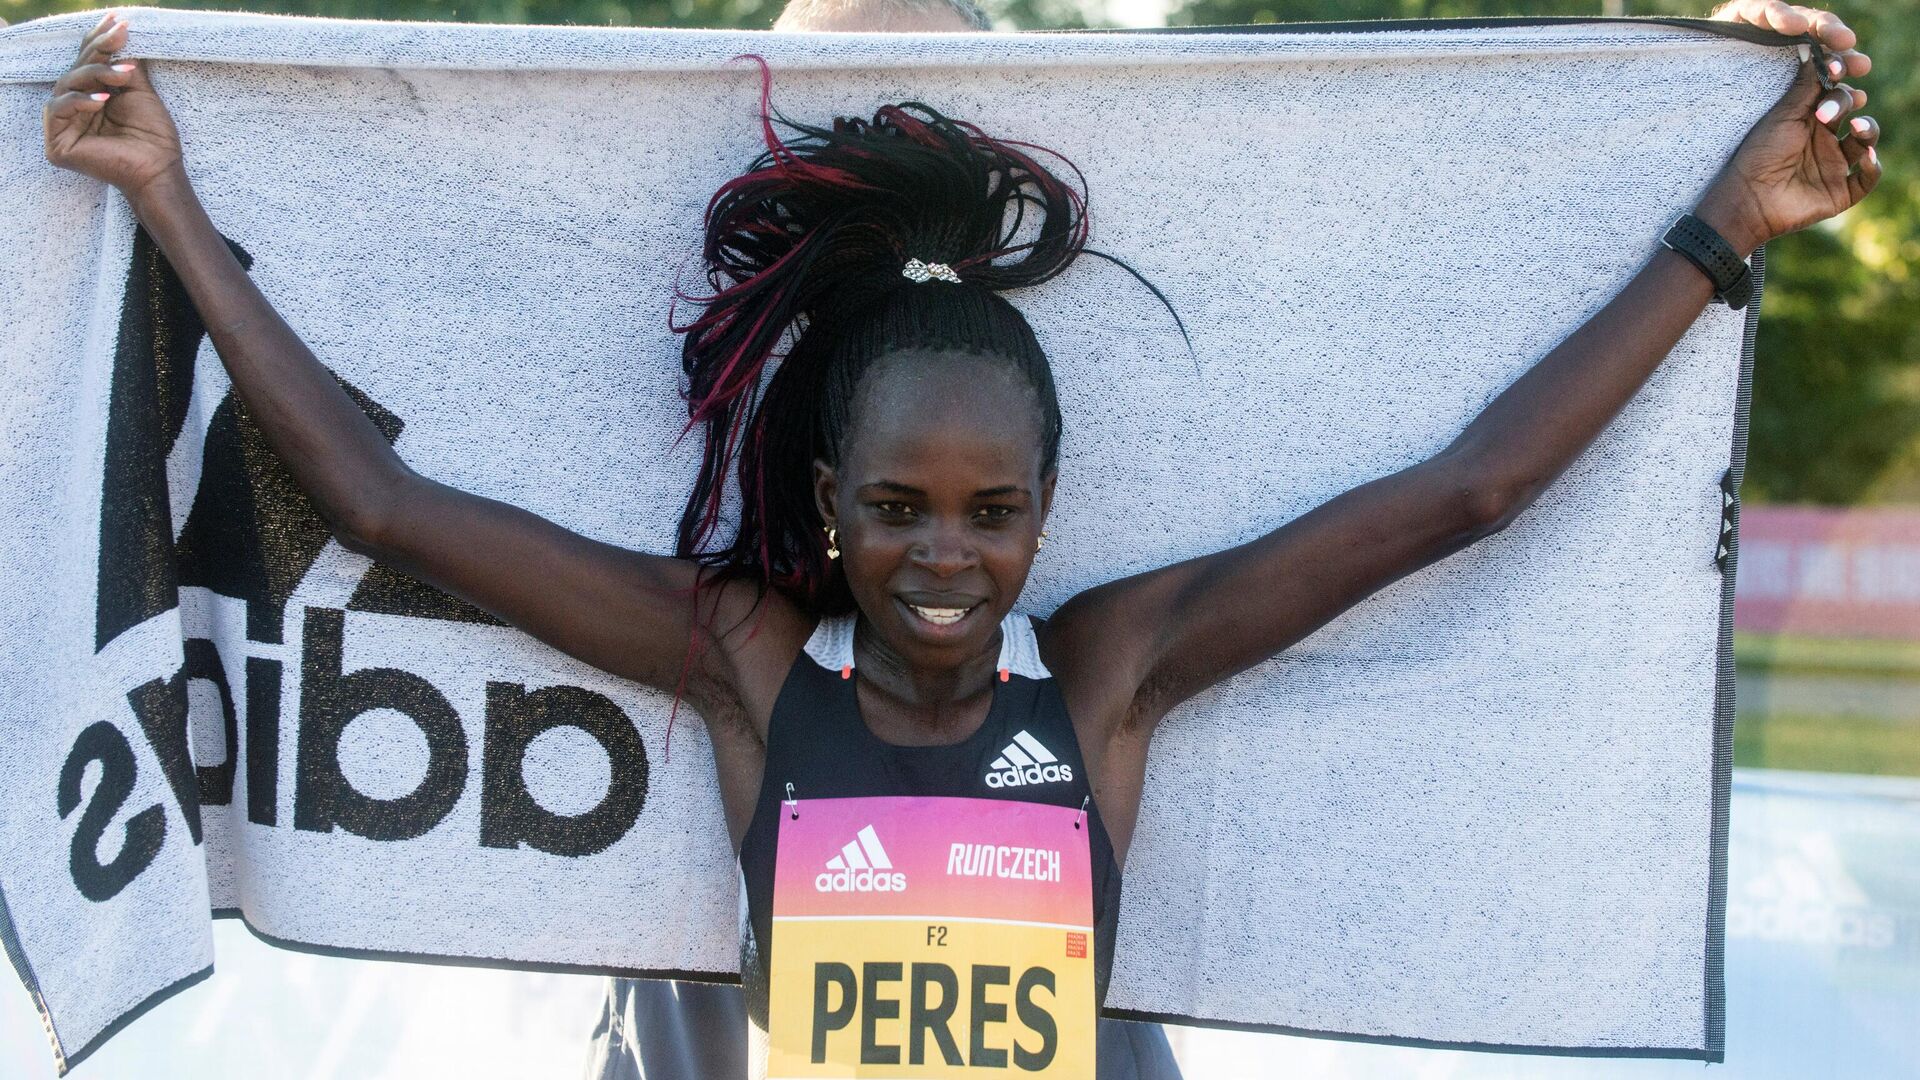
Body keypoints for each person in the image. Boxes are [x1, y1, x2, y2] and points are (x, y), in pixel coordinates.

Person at [43, 2, 1878, 1076]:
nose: (948, 557)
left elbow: (1467, 490)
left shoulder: (1115, 670)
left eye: (996, 516)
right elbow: (383, 508)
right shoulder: (746, 660)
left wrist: (1727, 224)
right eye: (902, 512)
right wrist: (172, 205)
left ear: (1049, 513)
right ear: (826, 510)